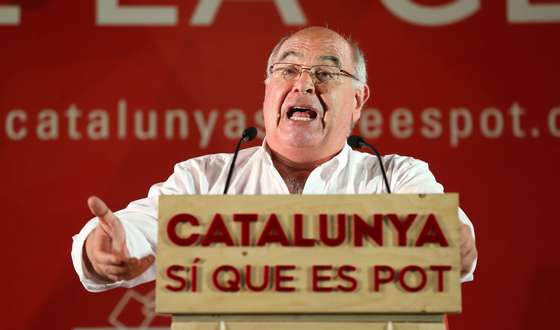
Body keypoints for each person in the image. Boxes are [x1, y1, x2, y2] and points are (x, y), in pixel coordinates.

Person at [72, 27, 478, 292]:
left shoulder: (394, 178)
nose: (303, 83)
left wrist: (453, 243)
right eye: (288, 70)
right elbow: (139, 228)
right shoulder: (206, 179)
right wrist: (103, 247)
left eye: (326, 73)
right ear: (267, 91)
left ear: (358, 100)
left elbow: (444, 229)